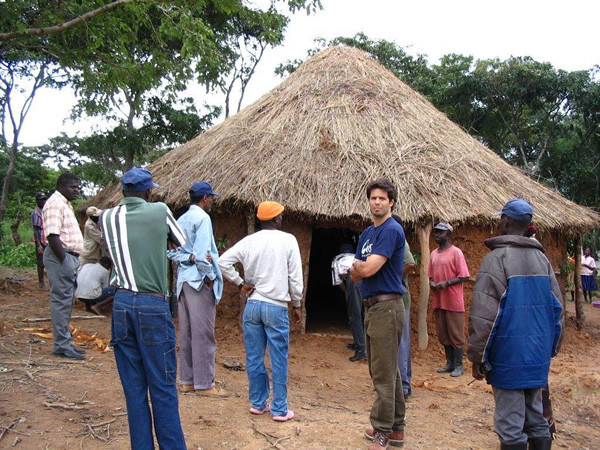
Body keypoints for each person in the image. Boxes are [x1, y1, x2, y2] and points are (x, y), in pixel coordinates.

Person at [100, 167, 187, 449]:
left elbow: (109, 254)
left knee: (134, 389)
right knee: (162, 386)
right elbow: (182, 244)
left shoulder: (107, 216)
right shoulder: (159, 210)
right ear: (149, 191)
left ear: (123, 192)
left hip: (122, 304)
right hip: (152, 304)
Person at [468, 198, 564, 450]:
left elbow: (484, 317)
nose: (499, 222)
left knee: (510, 425)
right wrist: (549, 350)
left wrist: (477, 357)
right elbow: (557, 311)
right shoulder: (543, 261)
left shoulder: (496, 260)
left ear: (508, 222)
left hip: (508, 357)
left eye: (501, 218)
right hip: (537, 357)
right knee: (536, 418)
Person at [218, 201, 303, 422]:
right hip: (276, 307)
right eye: (280, 216)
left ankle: (257, 403)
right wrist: (296, 304)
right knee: (279, 358)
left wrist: (239, 283)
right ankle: (280, 409)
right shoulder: (288, 240)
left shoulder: (249, 241)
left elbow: (222, 262)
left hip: (253, 305)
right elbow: (295, 277)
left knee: (254, 357)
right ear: (277, 219)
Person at [349, 178, 406, 450]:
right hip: (372, 306)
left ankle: (383, 430)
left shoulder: (391, 230)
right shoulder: (367, 234)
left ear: (391, 202)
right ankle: (397, 428)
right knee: (385, 370)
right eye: (373, 198)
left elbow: (367, 269)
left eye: (383, 198)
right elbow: (354, 273)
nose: (377, 202)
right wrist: (359, 266)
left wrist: (359, 266)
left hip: (387, 306)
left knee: (383, 373)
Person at [167, 181, 225, 395]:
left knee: (188, 332)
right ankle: (205, 384)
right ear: (205, 198)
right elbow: (202, 255)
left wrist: (189, 258)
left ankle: (187, 380)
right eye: (212, 198)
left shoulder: (181, 219)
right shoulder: (202, 218)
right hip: (199, 282)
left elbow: (171, 252)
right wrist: (209, 276)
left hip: (183, 282)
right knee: (204, 334)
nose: (212, 202)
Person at [42, 174, 85, 360]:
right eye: (72, 187)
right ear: (61, 186)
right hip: (61, 257)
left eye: (77, 186)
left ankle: (65, 342)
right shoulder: (55, 204)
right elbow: (52, 236)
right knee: (61, 302)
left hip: (68, 257)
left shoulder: (65, 204)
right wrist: (65, 261)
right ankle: (61, 345)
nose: (76, 190)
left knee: (66, 302)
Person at [428, 221, 470, 377]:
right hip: (439, 300)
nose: (437, 234)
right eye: (436, 232)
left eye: (441, 232)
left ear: (449, 234)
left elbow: (464, 276)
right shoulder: (433, 254)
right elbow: (430, 275)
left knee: (455, 333)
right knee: (443, 332)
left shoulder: (456, 252)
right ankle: (450, 363)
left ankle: (459, 365)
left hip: (453, 300)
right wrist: (432, 283)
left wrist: (446, 283)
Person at [392, 215, 416, 399]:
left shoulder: (401, 241)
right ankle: (404, 383)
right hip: (399, 298)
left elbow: (410, 263)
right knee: (402, 342)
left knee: (401, 342)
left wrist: (395, 279)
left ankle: (403, 387)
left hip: (400, 299)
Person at [332, 243, 366, 362]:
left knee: (354, 315)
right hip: (366, 281)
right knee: (364, 313)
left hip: (353, 281)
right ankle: (361, 343)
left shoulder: (336, 260)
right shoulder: (357, 256)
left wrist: (348, 292)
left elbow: (338, 282)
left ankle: (361, 349)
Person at [31, 191, 48, 289]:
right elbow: (36, 230)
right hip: (41, 240)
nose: (44, 201)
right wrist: (38, 245)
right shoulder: (36, 213)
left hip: (47, 239)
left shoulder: (45, 210)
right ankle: (41, 282)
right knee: (40, 262)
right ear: (37, 201)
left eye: (44, 199)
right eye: (42, 200)